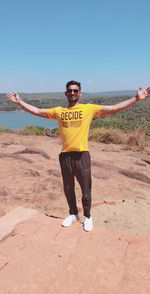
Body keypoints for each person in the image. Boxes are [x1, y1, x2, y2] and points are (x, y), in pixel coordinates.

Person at [7, 82, 150, 232]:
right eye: (70, 91)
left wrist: (136, 98)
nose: (73, 93)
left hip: (82, 155)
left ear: (80, 93)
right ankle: (73, 213)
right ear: (66, 93)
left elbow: (114, 108)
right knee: (68, 188)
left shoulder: (88, 109)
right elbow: (37, 111)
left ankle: (87, 216)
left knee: (86, 190)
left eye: (76, 91)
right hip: (65, 155)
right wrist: (20, 101)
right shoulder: (59, 111)